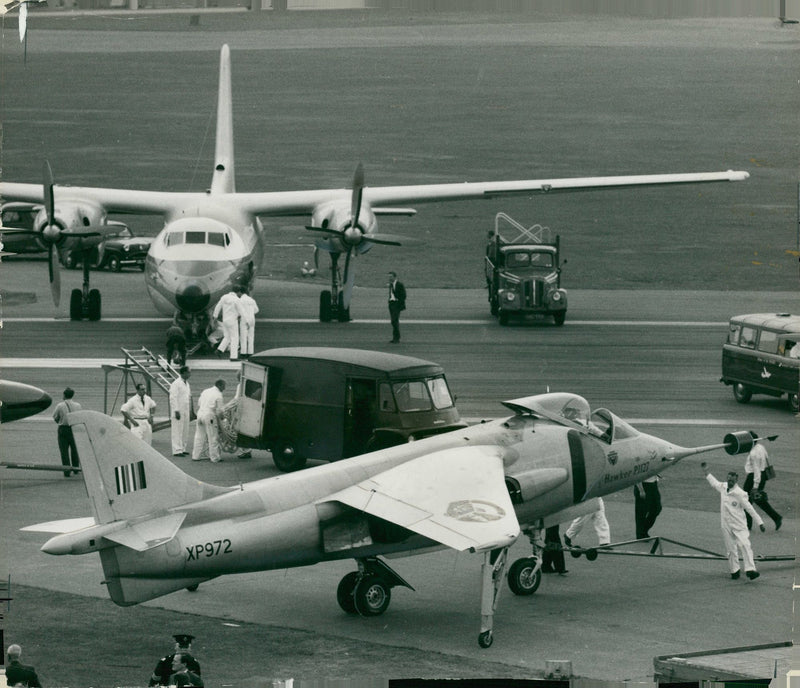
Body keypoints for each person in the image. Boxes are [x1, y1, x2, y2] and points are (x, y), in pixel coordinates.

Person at [701, 462, 765, 580]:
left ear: (736, 481)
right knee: (731, 549)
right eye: (729, 480)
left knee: (745, 545)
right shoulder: (723, 487)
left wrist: (760, 522)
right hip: (725, 524)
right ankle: (734, 571)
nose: (730, 482)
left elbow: (749, 509)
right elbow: (714, 483)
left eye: (732, 481)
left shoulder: (741, 494)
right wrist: (706, 472)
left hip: (739, 524)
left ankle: (750, 570)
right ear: (727, 479)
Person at [743, 437, 782, 531]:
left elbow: (756, 470)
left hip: (754, 477)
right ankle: (776, 517)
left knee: (745, 500)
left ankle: (748, 525)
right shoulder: (760, 446)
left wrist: (755, 486)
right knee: (758, 500)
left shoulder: (753, 453)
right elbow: (766, 458)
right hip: (762, 474)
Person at [192, 379, 226, 463]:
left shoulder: (205, 391)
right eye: (224, 386)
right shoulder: (218, 395)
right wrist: (223, 419)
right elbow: (220, 410)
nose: (224, 389)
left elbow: (199, 403)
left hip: (200, 413)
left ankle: (196, 456)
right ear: (220, 385)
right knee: (213, 437)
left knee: (199, 436)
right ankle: (215, 458)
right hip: (209, 415)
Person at [53, 386, 81, 477]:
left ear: (64, 395)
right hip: (74, 428)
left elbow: (55, 416)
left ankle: (66, 470)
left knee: (64, 450)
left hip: (63, 429)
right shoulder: (78, 405)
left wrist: (59, 421)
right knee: (75, 449)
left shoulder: (60, 405)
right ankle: (76, 468)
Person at [212, 286, 244, 360]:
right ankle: (233, 357)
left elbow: (218, 306)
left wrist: (215, 317)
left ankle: (219, 350)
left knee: (227, 337)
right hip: (233, 321)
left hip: (225, 320)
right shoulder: (237, 299)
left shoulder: (224, 297)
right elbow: (241, 311)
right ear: (238, 292)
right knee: (234, 338)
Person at [169, 366, 193, 457]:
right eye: (188, 372)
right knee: (177, 430)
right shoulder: (176, 383)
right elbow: (173, 398)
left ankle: (183, 448)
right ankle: (177, 450)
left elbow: (188, 397)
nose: (190, 374)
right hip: (178, 410)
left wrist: (191, 410)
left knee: (185, 429)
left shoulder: (187, 383)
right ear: (183, 373)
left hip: (186, 409)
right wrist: (176, 410)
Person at [633, 475, 662, 539]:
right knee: (641, 512)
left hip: (653, 483)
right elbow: (636, 475)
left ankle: (644, 530)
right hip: (643, 485)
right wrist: (641, 490)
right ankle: (640, 535)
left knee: (657, 508)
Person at [237, 286, 259, 358]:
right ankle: (250, 352)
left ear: (241, 292)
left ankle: (243, 353)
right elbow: (256, 310)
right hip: (252, 319)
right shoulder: (252, 300)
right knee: (251, 337)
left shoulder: (240, 300)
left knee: (243, 337)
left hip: (244, 319)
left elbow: (238, 311)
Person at [387, 270, 406, 343]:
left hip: (396, 304)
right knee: (394, 321)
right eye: (389, 277)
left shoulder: (399, 285)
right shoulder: (391, 285)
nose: (389, 278)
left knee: (394, 320)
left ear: (395, 277)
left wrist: (398, 302)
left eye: (391, 277)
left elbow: (404, 295)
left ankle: (396, 337)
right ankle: (395, 337)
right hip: (391, 304)